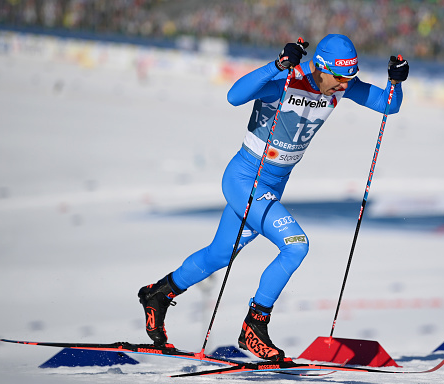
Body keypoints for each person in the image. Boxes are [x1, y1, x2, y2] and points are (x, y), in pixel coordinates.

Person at [138, 34, 409, 361]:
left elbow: (387, 104)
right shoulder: (286, 79)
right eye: (339, 79)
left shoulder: (341, 83)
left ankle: (158, 295)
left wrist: (397, 81)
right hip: (244, 178)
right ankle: (254, 326)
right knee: (296, 245)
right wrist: (277, 65)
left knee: (219, 254)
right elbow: (233, 95)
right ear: (321, 68)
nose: (344, 86)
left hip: (273, 184)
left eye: (350, 79)